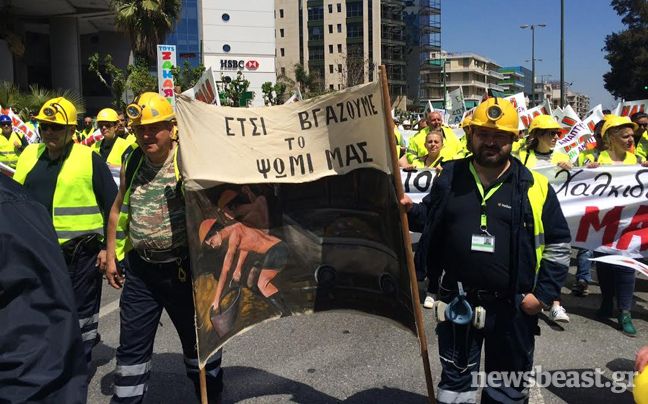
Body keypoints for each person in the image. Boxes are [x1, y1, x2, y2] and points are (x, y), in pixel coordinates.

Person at [401, 97, 571, 403]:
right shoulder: (449, 177)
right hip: (457, 303)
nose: (491, 142)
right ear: (471, 136)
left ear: (513, 140)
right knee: (455, 385)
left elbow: (558, 243)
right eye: (483, 135)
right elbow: (429, 217)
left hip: (513, 308)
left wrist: (542, 296)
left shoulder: (534, 186)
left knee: (506, 388)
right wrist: (409, 209)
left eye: (500, 136)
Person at [103, 92, 223, 403]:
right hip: (141, 272)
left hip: (185, 273)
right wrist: (114, 256)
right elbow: (117, 209)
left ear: (171, 128)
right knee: (131, 349)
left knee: (200, 347)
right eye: (140, 129)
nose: (146, 135)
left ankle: (210, 396)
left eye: (153, 128)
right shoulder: (133, 159)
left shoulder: (189, 159)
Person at [13, 96, 116, 365]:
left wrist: (109, 248)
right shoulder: (28, 155)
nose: (49, 132)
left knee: (80, 312)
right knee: (42, 309)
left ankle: (77, 364)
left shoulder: (88, 159)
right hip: (37, 252)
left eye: (56, 127)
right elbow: (15, 200)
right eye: (44, 126)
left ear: (71, 130)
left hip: (80, 254)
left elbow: (112, 204)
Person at [0, 175, 88, 404]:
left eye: (57, 133)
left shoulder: (11, 209)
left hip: (81, 249)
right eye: (46, 134)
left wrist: (110, 250)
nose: (50, 135)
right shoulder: (30, 160)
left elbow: (37, 348)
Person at [585, 115, 647, 337]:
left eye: (632, 136)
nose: (631, 139)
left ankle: (625, 312)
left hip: (629, 226)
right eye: (626, 136)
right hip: (603, 226)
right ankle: (606, 301)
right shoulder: (596, 160)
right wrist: (587, 171)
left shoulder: (637, 162)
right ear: (611, 138)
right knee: (604, 266)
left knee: (625, 267)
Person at [514, 114, 572, 323]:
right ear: (537, 135)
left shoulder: (561, 156)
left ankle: (555, 303)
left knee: (553, 253)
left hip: (551, 215)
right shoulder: (521, 156)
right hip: (526, 216)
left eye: (557, 133)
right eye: (551, 133)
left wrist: (571, 168)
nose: (556, 137)